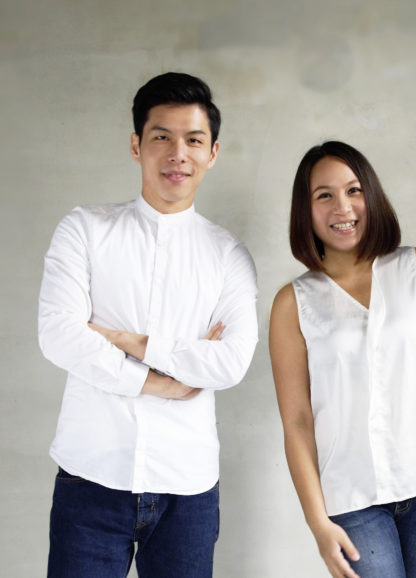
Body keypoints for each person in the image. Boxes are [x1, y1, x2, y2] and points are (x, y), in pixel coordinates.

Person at [38, 72, 259, 577]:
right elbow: (59, 334)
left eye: (193, 140)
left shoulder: (228, 255)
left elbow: (230, 363)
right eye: (162, 137)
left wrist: (124, 340)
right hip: (90, 476)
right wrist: (161, 382)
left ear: (213, 152)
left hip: (188, 487)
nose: (178, 154)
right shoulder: (84, 229)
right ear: (136, 145)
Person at [269, 141, 416, 578]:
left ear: (372, 194)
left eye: (353, 190)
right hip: (350, 498)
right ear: (305, 210)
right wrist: (318, 523)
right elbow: (297, 421)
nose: (342, 207)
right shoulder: (293, 302)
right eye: (324, 195)